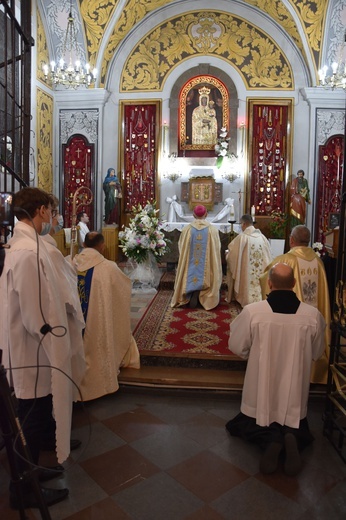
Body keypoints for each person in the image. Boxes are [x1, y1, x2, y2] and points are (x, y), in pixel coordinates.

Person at [0, 187, 86, 509]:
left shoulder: (27, 245)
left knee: (33, 417)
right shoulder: (26, 252)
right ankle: (22, 489)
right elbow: (35, 315)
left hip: (32, 349)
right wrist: (56, 345)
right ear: (39, 212)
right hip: (32, 352)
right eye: (50, 210)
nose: (52, 217)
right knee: (30, 421)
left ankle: (32, 472)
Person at [226, 263, 325, 476]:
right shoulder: (312, 315)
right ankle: (290, 435)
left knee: (251, 421)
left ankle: (271, 440)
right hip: (294, 392)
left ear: (269, 283)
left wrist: (249, 355)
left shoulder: (253, 312)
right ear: (294, 284)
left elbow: (236, 346)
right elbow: (318, 352)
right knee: (297, 422)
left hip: (261, 386)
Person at [72, 232, 140, 401]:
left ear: (84, 244)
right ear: (102, 246)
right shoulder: (108, 267)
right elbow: (123, 289)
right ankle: (98, 380)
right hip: (95, 324)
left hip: (74, 324)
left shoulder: (70, 263)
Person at [260, 225, 331, 384]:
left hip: (290, 320)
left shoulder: (284, 260)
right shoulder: (318, 261)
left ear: (291, 240)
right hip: (311, 319)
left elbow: (267, 278)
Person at [171, 204, 222, 310]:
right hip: (206, 272)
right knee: (209, 270)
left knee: (190, 269)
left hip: (190, 267)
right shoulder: (212, 230)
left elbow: (181, 247)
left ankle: (190, 291)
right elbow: (217, 249)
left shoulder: (187, 230)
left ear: (193, 215)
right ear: (206, 214)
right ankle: (204, 293)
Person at [225, 214, 272, 307]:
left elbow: (232, 256)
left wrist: (227, 255)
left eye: (241, 224)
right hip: (260, 274)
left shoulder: (242, 237)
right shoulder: (263, 238)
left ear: (244, 224)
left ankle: (246, 299)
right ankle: (260, 298)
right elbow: (269, 257)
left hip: (246, 278)